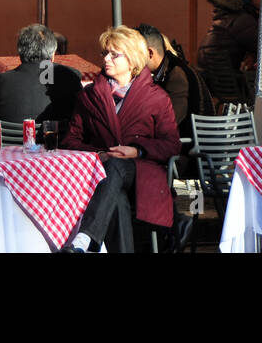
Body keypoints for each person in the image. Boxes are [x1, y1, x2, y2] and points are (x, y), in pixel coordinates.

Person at [62, 27, 181, 253]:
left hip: (143, 171)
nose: (106, 59)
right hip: (100, 171)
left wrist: (137, 151)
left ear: (133, 59)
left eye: (114, 54)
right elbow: (71, 140)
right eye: (105, 53)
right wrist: (99, 154)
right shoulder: (89, 96)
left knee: (116, 168)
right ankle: (84, 241)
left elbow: (172, 144)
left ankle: (84, 238)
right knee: (116, 196)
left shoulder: (157, 97)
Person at [0, 24, 82, 124]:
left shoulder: (3, 80)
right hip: (55, 138)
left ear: (20, 52)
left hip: (11, 139)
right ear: (53, 54)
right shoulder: (70, 76)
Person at [137, 23, 211, 139]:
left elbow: (170, 122)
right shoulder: (167, 70)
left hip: (189, 149)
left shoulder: (177, 75)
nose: (131, 59)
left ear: (150, 53)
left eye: (135, 54)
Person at [197, 0, 261, 70]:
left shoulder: (233, 14)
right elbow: (261, 45)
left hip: (212, 72)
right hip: (222, 76)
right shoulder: (242, 18)